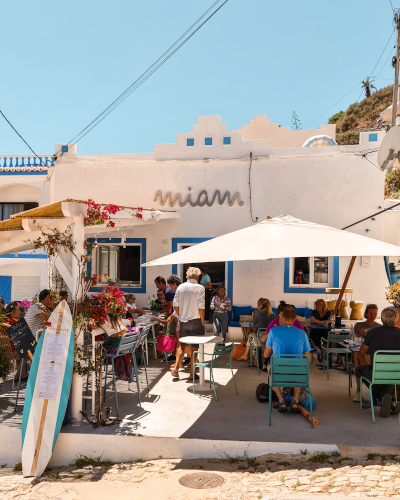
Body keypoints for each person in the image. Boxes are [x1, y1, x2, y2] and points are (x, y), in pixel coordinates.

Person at [264, 305, 311, 413]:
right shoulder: (302, 333)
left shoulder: (273, 331)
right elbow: (308, 359)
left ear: (282, 317)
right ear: (295, 318)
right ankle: (295, 400)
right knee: (301, 366)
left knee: (269, 366)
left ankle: (281, 400)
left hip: (279, 375)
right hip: (297, 375)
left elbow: (266, 355)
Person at [356, 307, 400, 418]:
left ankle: (382, 398)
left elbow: (362, 351)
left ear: (382, 318)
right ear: (396, 319)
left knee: (359, 371)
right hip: (397, 374)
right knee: (388, 377)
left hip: (377, 373)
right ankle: (390, 402)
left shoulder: (373, 333)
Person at [171, 267, 205, 379]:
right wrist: (202, 321)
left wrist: (181, 315)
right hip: (195, 321)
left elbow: (175, 304)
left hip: (183, 321)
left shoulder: (180, 287)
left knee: (183, 345)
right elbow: (201, 307)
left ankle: (176, 367)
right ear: (197, 276)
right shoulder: (200, 288)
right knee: (195, 348)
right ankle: (191, 373)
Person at [352, 304, 380, 402]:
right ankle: (373, 388)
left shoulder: (378, 327)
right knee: (358, 355)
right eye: (371, 313)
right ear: (366, 314)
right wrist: (359, 334)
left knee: (358, 359)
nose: (373, 316)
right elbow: (352, 340)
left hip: (373, 354)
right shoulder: (359, 325)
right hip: (362, 351)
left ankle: (359, 391)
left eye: (375, 314)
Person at [102, 313, 132, 381]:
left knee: (99, 351)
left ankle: (97, 374)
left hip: (118, 349)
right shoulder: (119, 320)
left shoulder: (104, 321)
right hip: (127, 348)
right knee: (106, 345)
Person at [3, 302, 28, 380]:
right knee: (29, 351)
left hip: (4, 352)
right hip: (13, 352)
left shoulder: (3, 321)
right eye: (18, 310)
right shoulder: (15, 322)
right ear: (13, 313)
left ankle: (23, 373)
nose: (20, 312)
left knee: (21, 348)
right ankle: (18, 374)